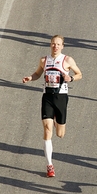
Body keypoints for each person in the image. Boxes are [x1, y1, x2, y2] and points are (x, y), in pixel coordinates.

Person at [22, 35, 82, 178]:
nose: (55, 46)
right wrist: (30, 78)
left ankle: (57, 121)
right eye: (53, 44)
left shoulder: (67, 60)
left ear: (62, 46)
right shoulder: (44, 60)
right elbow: (37, 73)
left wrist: (71, 78)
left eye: (58, 44)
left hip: (61, 97)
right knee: (47, 129)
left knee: (60, 134)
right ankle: (50, 165)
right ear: (50, 45)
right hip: (47, 97)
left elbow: (79, 74)